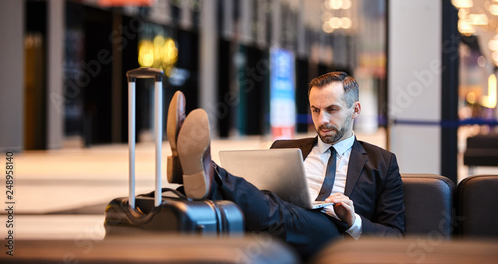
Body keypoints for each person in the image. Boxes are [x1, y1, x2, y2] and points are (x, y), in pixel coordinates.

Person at [167, 72, 405, 260]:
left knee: (281, 211)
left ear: (355, 110)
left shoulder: (382, 162)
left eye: (332, 110)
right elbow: (259, 198)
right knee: (265, 204)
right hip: (275, 224)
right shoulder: (284, 147)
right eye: (315, 110)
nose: (322, 120)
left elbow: (395, 237)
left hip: (331, 235)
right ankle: (191, 177)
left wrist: (353, 221)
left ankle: (206, 170)